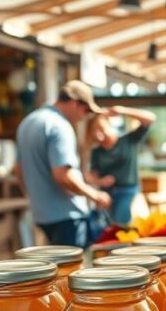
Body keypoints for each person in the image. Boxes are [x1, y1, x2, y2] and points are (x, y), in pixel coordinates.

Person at [15, 80, 111, 248]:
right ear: (74, 103)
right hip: (67, 216)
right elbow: (63, 176)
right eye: (86, 110)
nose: (86, 116)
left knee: (58, 270)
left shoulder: (28, 122)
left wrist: (34, 199)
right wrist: (95, 195)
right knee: (73, 271)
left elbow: (18, 170)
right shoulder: (60, 126)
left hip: (42, 215)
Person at [87, 105, 156, 225]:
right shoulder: (97, 151)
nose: (99, 134)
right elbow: (91, 175)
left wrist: (123, 110)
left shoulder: (128, 141)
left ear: (109, 126)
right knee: (106, 226)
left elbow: (150, 118)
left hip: (127, 191)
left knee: (120, 224)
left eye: (101, 128)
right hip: (107, 194)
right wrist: (100, 181)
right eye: (94, 131)